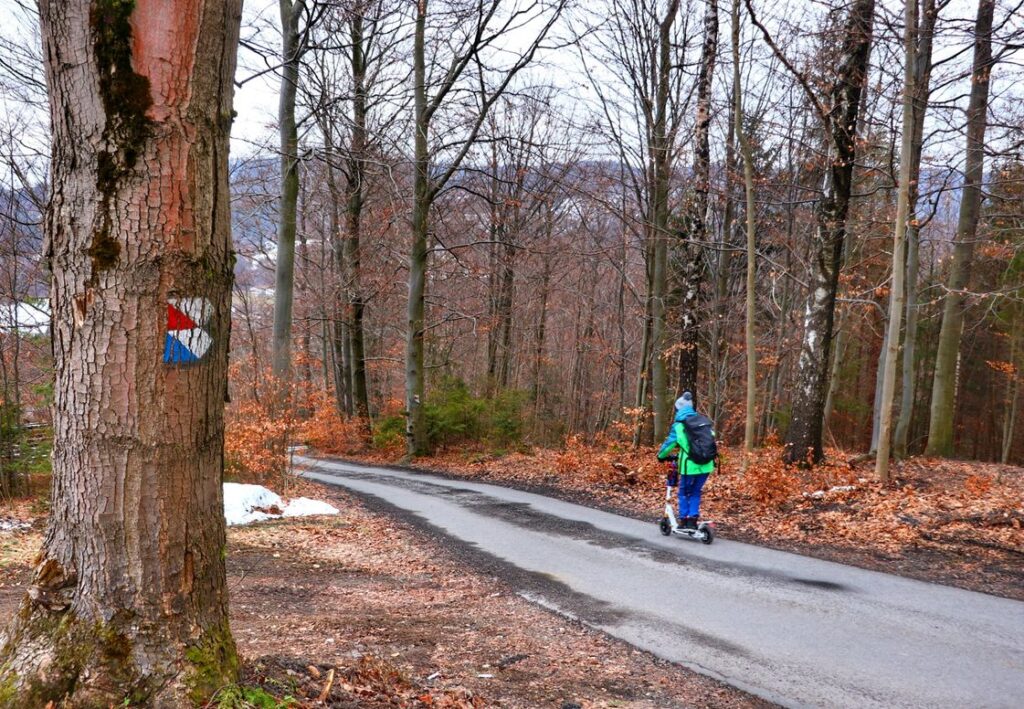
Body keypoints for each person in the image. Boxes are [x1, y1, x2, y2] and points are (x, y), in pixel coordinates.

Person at [657, 392, 715, 529]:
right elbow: (710, 440)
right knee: (695, 491)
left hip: (690, 466)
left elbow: (669, 445)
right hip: (707, 464)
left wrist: (661, 456)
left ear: (678, 409)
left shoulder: (679, 426)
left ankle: (684, 520)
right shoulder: (703, 422)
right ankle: (693, 518)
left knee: (684, 492)